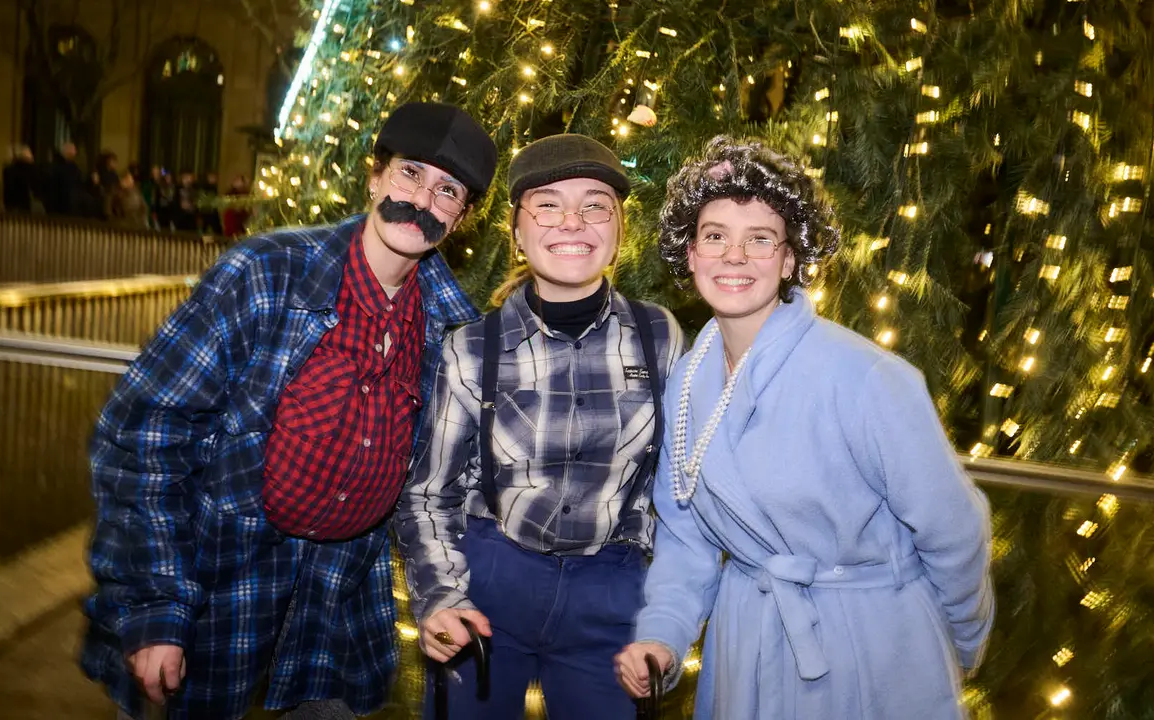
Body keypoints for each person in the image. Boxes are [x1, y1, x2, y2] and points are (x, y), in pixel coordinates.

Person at [80, 102, 498, 720]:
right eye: (410, 174)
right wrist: (156, 602)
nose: (421, 200)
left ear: (460, 217)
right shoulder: (266, 274)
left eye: (446, 191)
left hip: (335, 611)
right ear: (375, 175)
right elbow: (144, 435)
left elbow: (433, 488)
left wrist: (439, 594)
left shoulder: (451, 330)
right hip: (215, 595)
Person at [614, 137, 994, 719]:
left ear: (790, 259)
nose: (733, 256)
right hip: (745, 644)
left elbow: (953, 529)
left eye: (759, 239)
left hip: (873, 643)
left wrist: (956, 644)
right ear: (689, 254)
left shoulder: (867, 377)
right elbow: (687, 536)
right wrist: (663, 635)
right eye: (715, 236)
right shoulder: (688, 380)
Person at [396, 133, 686, 720]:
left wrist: (662, 611)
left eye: (595, 204)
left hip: (612, 589)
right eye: (548, 204)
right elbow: (430, 493)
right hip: (492, 580)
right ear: (517, 230)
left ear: (619, 227)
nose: (572, 221)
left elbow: (681, 492)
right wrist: (442, 599)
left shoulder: (660, 337)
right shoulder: (474, 348)